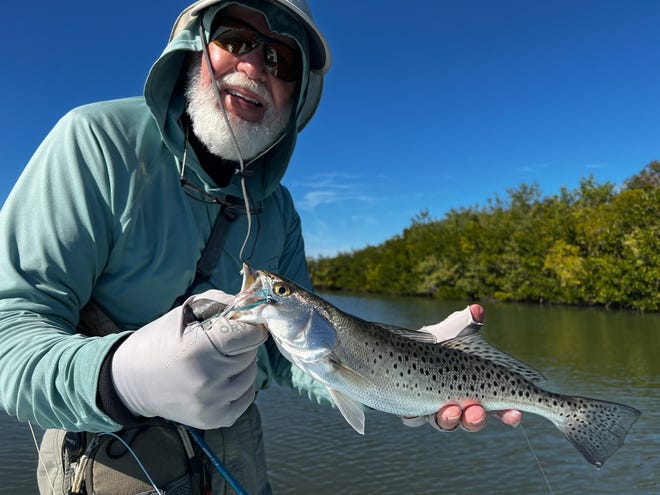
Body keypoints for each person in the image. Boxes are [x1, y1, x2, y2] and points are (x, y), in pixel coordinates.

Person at [0, 1, 520, 494]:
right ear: (193, 45)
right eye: (236, 39)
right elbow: (11, 337)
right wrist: (121, 379)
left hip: (239, 456)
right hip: (107, 452)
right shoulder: (94, 142)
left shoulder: (281, 211)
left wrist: (405, 370)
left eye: (281, 58)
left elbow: (291, 355)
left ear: (297, 95)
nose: (254, 65)